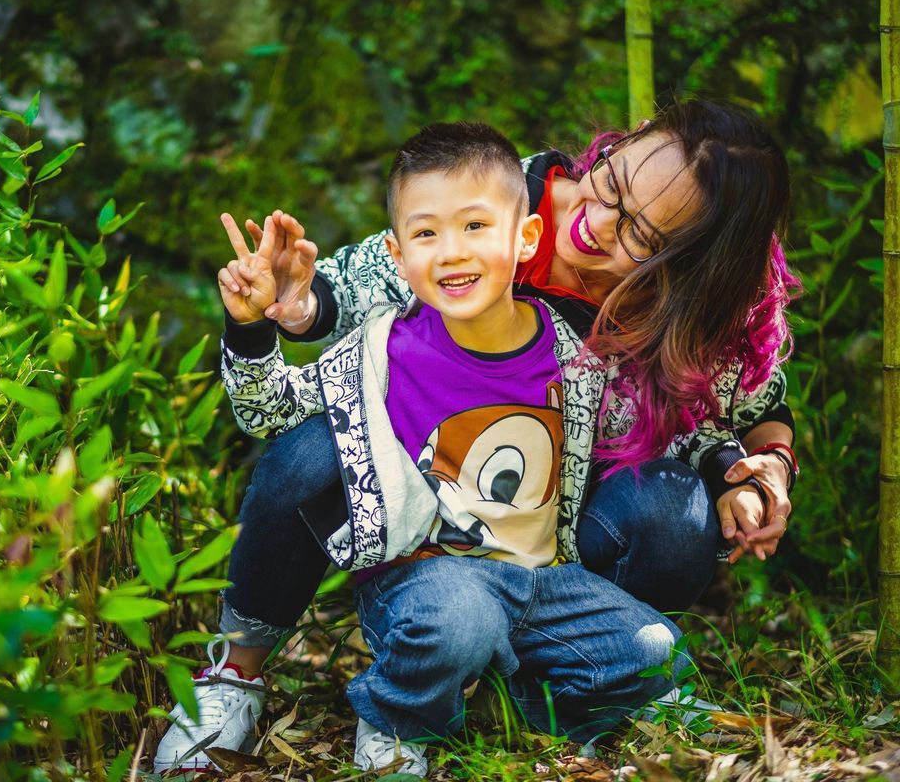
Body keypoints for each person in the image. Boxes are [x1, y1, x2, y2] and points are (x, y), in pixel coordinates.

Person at [154, 101, 797, 773]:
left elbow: (715, 418)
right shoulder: (494, 201)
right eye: (610, 183)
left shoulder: (623, 339)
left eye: (640, 233)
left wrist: (745, 468)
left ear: (693, 262)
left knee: (673, 514)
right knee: (312, 453)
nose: (594, 221)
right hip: (429, 512)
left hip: (559, 534)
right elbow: (338, 306)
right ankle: (241, 671)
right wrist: (285, 312)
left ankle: (541, 675)